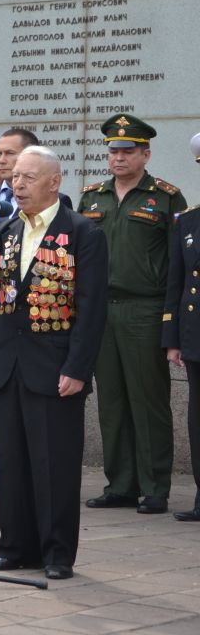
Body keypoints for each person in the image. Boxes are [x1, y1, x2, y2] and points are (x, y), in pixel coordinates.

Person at [0, 146, 107, 580]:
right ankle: (15, 547)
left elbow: (92, 310)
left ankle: (57, 554)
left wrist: (78, 368)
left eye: (27, 177)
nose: (16, 184)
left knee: (54, 463)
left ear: (54, 182)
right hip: (6, 362)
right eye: (15, 176)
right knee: (12, 463)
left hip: (54, 366)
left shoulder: (80, 232)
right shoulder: (3, 228)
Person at [0, 125, 71, 501]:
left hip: (40, 329)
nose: (5, 164)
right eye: (2, 157)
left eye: (13, 158)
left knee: (38, 422)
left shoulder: (61, 211)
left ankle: (29, 480)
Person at [79, 115, 186, 515]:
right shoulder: (93, 197)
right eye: (113, 151)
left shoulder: (165, 197)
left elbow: (178, 263)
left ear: (146, 154)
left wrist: (170, 320)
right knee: (112, 400)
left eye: (127, 151)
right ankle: (120, 484)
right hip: (101, 309)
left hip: (145, 308)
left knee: (148, 400)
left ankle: (155, 486)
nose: (119, 158)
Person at [165, 131, 200, 522]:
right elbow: (177, 281)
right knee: (197, 418)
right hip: (195, 334)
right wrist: (172, 338)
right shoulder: (188, 219)